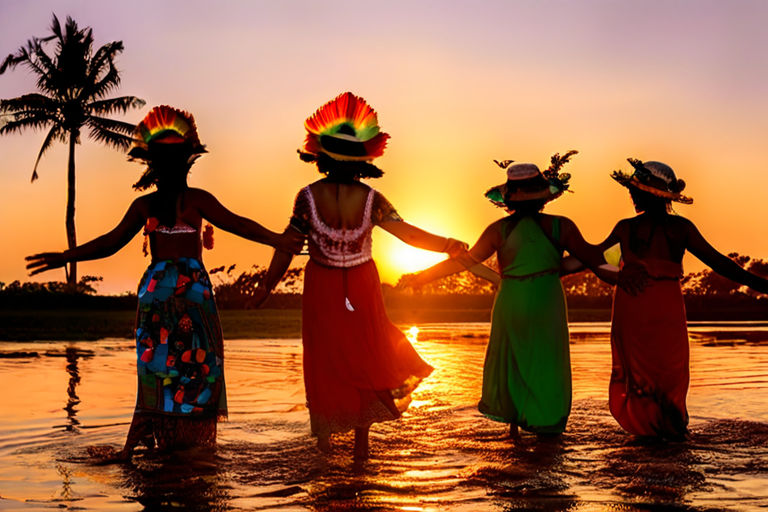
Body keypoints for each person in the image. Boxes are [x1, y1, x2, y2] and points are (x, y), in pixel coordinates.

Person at [26, 105, 303, 459]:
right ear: (188, 162)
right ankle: (191, 448)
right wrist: (68, 255)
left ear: (153, 165)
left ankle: (155, 446)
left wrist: (67, 257)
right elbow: (239, 225)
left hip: (161, 294)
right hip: (188, 294)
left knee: (161, 369)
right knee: (194, 367)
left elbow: (113, 242)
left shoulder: (151, 204)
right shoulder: (186, 201)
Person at [250, 92, 467, 462]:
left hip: (324, 287)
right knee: (365, 357)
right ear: (361, 161)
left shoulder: (307, 196)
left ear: (323, 157)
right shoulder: (372, 198)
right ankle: (359, 447)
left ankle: (324, 443)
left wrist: (268, 286)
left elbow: (287, 245)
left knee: (326, 361)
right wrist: (448, 244)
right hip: (359, 287)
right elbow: (408, 233)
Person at [404, 153, 611, 439]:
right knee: (547, 361)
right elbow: (591, 257)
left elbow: (464, 260)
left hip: (511, 298)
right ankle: (546, 428)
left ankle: (514, 429)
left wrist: (421, 277)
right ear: (543, 197)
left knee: (512, 359)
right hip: (546, 298)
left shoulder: (498, 230)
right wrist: (621, 267)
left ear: (509, 199)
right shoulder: (560, 225)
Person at [588, 159, 768, 440]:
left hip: (633, 308)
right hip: (666, 308)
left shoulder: (625, 228)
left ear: (644, 194)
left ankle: (647, 435)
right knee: (669, 377)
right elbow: (721, 263)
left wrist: (614, 275)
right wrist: (761, 284)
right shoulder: (681, 228)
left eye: (634, 190)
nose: (631, 195)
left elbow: (593, 259)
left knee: (640, 377)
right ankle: (671, 434)